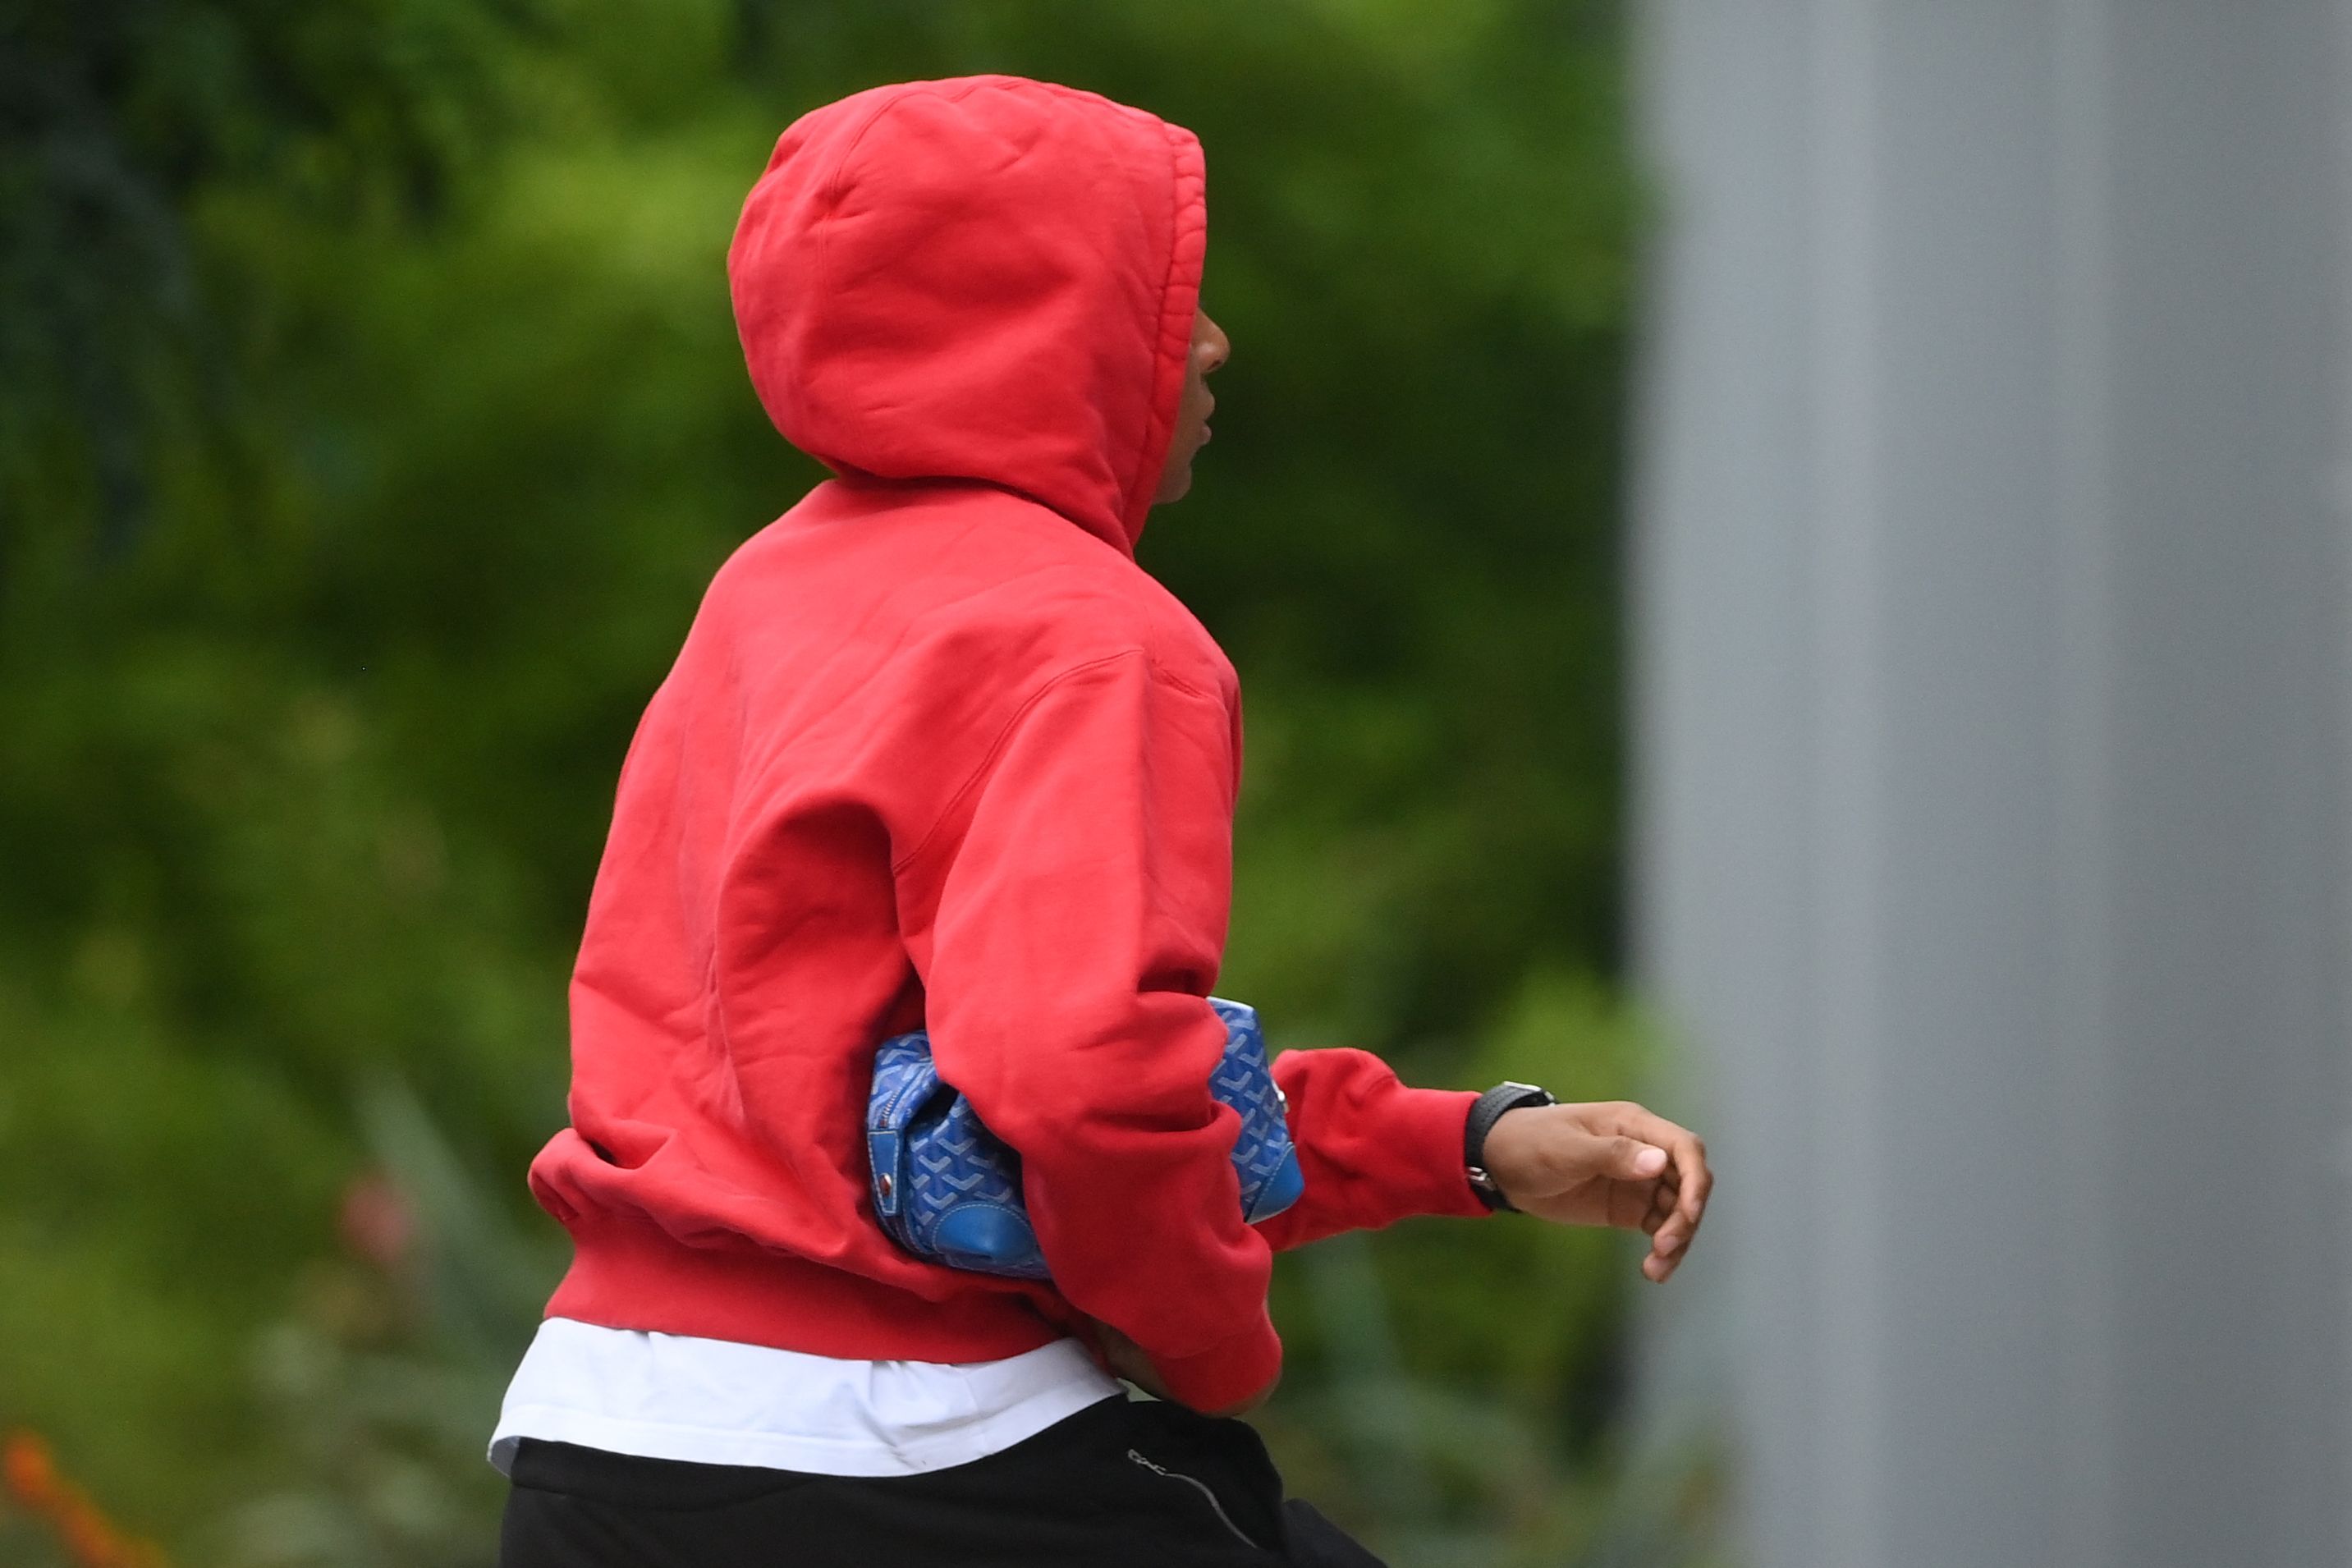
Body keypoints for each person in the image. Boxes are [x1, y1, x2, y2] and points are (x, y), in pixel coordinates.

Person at [490, 73, 1712, 1567]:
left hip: (602, 1436)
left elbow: (907, 1089)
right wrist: (1211, 1348)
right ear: (1031, 329)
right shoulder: (1094, 635)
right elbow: (1076, 1085)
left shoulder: (762, 597)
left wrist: (1457, 1144)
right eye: (1158, 295)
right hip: (895, 1447)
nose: (1207, 342)